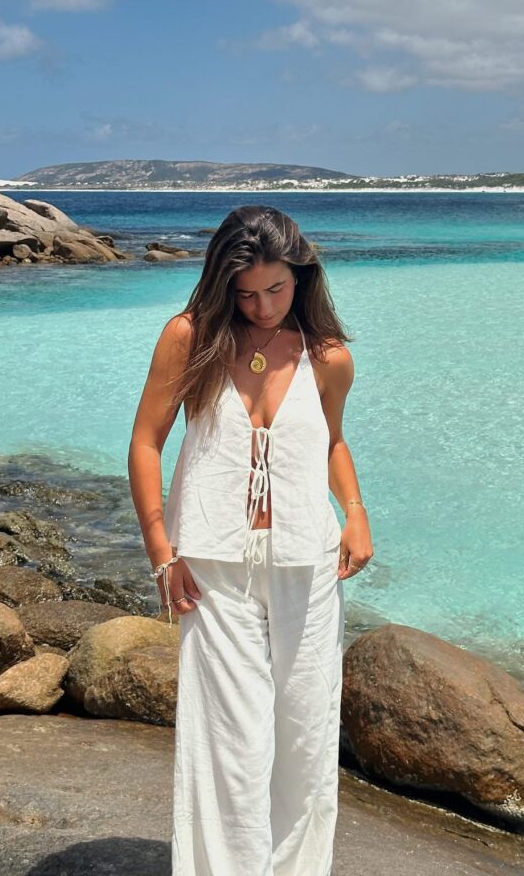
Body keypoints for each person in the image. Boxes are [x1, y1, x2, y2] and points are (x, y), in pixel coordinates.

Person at [127, 204, 373, 876]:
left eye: (276, 289)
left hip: (307, 563)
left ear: (301, 276)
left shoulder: (329, 358)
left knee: (307, 737)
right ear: (221, 283)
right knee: (227, 744)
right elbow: (146, 444)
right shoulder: (190, 336)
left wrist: (355, 512)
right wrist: (161, 556)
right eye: (245, 292)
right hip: (209, 566)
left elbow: (331, 441)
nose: (261, 306)